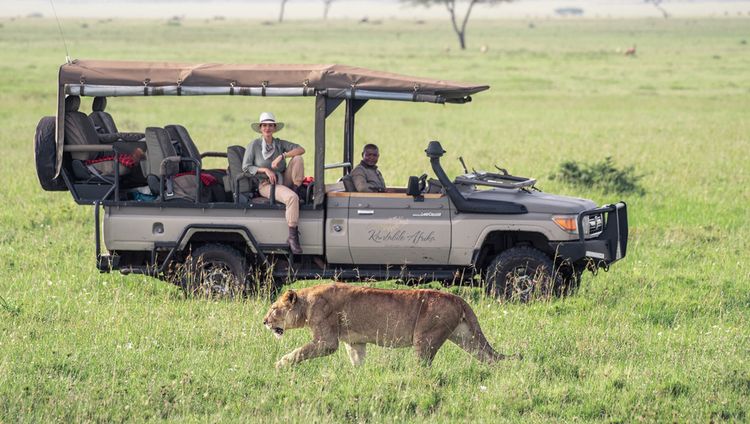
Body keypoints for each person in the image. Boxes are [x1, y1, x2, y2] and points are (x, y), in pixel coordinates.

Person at [242, 112, 306, 254]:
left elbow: (301, 149)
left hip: (283, 179)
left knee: (297, 159)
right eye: (264, 125)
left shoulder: (279, 143)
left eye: (270, 125)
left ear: (275, 128)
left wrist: (282, 156)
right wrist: (264, 169)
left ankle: (296, 189)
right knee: (291, 199)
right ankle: (292, 237)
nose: (267, 128)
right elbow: (246, 168)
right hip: (266, 184)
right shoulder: (254, 145)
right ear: (260, 128)